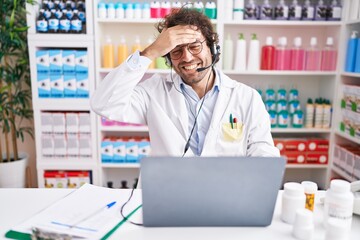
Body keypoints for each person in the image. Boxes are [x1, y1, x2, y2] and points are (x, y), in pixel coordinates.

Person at [91, 8, 279, 158]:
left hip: (225, 195)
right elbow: (104, 104)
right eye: (176, 50)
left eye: (195, 46)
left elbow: (263, 153)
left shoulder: (246, 97)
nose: (187, 57)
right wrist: (150, 52)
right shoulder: (153, 91)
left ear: (212, 48)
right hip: (169, 195)